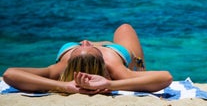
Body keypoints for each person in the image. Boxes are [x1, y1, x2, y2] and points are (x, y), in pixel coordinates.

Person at [3, 24, 173, 94]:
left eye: (78, 46)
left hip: (96, 53)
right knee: (125, 28)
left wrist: (63, 85)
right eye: (84, 46)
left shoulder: (60, 67)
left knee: (109, 38)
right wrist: (110, 84)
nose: (83, 41)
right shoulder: (115, 67)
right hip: (121, 53)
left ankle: (101, 45)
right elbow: (166, 77)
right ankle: (138, 66)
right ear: (100, 58)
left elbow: (10, 73)